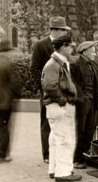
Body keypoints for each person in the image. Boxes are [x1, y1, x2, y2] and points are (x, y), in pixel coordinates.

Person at [30, 16, 71, 164]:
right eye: (62, 30)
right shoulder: (40, 45)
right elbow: (34, 69)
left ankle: (58, 151)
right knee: (47, 122)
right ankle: (47, 154)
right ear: (55, 30)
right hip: (48, 91)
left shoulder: (63, 46)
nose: (64, 33)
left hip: (62, 92)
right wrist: (43, 88)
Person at [41, 34, 81, 182]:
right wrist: (62, 100)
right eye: (70, 46)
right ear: (63, 46)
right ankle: (63, 172)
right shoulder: (54, 64)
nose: (72, 49)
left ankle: (55, 168)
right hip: (59, 106)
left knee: (56, 139)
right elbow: (50, 86)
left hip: (56, 106)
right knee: (65, 139)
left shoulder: (56, 63)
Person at [71, 41, 98, 169]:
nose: (95, 54)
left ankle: (84, 154)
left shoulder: (91, 64)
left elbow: (92, 82)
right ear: (84, 52)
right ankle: (77, 158)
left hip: (91, 100)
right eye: (93, 51)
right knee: (80, 129)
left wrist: (96, 91)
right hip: (83, 102)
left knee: (89, 128)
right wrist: (82, 97)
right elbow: (75, 84)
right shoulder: (76, 65)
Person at [0, 40, 21, 163]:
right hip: (5, 101)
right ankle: (2, 154)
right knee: (5, 126)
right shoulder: (8, 64)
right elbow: (16, 82)